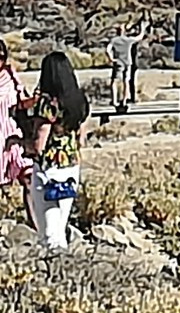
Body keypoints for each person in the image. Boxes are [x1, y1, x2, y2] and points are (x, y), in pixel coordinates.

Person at [6, 52, 91, 251]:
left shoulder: (47, 105)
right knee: (59, 226)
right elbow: (81, 138)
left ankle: (57, 271)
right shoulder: (79, 101)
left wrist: (17, 142)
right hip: (70, 168)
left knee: (49, 233)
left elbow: (38, 145)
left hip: (48, 169)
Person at [0, 40, 27, 207]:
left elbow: (21, 101)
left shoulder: (10, 75)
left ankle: (37, 225)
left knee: (27, 173)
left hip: (10, 131)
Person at [106, 19, 149, 113]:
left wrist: (111, 58)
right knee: (126, 81)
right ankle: (124, 100)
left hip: (118, 62)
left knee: (115, 80)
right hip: (128, 63)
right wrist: (143, 28)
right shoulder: (128, 40)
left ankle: (114, 100)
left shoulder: (114, 40)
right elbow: (139, 37)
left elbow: (108, 49)